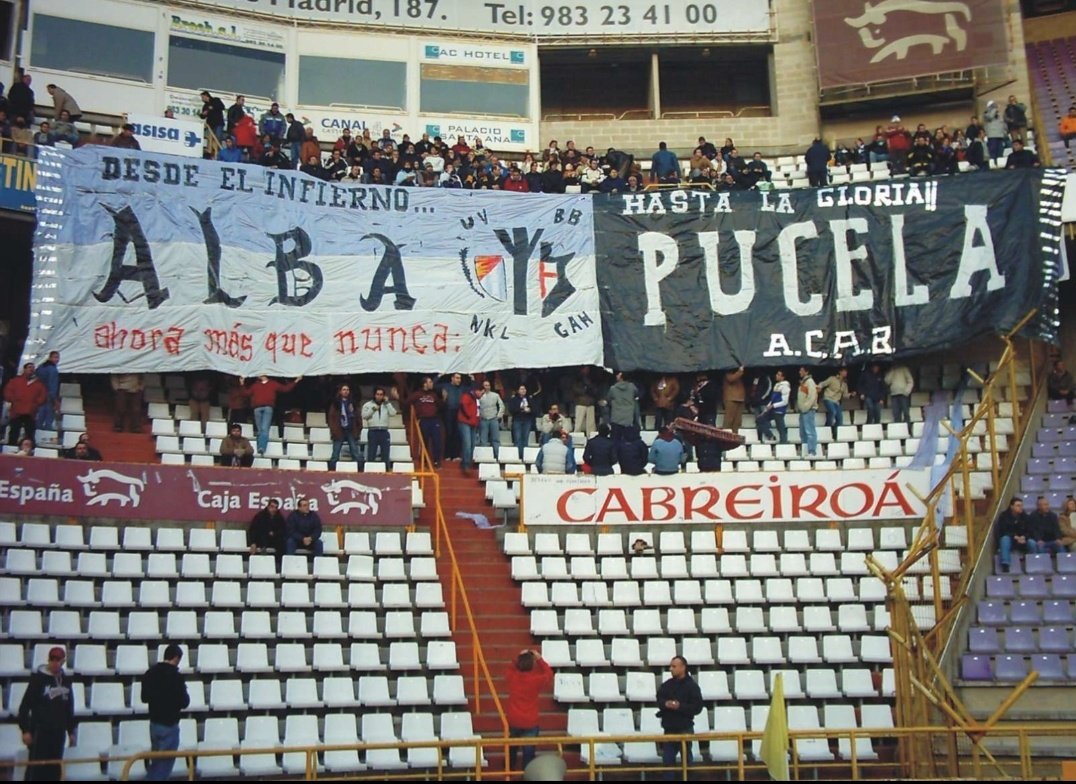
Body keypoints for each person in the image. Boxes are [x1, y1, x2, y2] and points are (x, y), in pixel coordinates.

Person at [18, 646, 75, 781]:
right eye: (52, 659)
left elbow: (69, 708)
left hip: (58, 732)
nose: (55, 663)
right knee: (36, 769)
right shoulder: (37, 680)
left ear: (63, 661)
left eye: (58, 660)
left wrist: (71, 731)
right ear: (48, 660)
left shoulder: (66, 681)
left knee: (54, 768)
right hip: (40, 731)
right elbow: (24, 707)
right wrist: (25, 730)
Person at [141, 644, 189, 781]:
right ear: (176, 658)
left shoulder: (150, 673)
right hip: (169, 725)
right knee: (163, 768)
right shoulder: (176, 677)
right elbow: (185, 702)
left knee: (156, 763)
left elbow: (144, 698)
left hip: (154, 724)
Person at [505, 649, 553, 771]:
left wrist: (518, 657)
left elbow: (510, 668)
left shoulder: (513, 677)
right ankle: (527, 773)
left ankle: (509, 769)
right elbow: (548, 674)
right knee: (529, 751)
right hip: (530, 720)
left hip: (514, 719)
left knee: (512, 746)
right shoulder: (536, 680)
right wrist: (540, 659)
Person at [656, 656, 703, 781]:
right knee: (668, 761)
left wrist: (680, 706)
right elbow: (659, 699)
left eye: (674, 666)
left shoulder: (692, 686)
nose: (670, 669)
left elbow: (697, 707)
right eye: (671, 666)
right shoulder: (667, 685)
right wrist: (665, 704)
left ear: (683, 667)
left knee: (686, 761)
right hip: (670, 728)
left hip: (684, 728)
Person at [241, 374, 301, 456]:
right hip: (257, 409)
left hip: (267, 408)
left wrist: (296, 381)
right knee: (260, 430)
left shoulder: (273, 383)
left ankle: (261, 448)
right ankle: (260, 447)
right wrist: (242, 383)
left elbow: (285, 389)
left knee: (264, 428)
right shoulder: (256, 385)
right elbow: (246, 393)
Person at [6, 363, 48, 446]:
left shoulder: (38, 383)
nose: (31, 369)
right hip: (16, 411)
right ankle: (11, 447)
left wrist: (35, 404)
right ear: (24, 369)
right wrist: (14, 400)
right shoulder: (15, 381)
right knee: (14, 431)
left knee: (30, 432)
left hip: (30, 412)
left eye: (33, 368)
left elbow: (43, 396)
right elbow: (8, 392)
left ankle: (30, 448)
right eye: (29, 367)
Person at [408, 376, 444, 467]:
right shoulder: (417, 394)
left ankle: (436, 461)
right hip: (423, 420)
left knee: (437, 441)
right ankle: (424, 461)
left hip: (434, 419)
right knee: (424, 441)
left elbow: (440, 406)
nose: (432, 384)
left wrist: (444, 399)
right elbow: (407, 402)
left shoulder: (433, 395)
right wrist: (398, 397)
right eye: (430, 382)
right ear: (425, 384)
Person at [327, 383, 362, 471]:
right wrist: (333, 430)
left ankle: (359, 470)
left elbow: (358, 416)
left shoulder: (353, 403)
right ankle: (331, 470)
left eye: (347, 390)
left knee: (355, 452)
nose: (346, 391)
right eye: (344, 389)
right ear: (340, 391)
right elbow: (331, 418)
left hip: (351, 430)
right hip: (339, 430)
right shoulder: (335, 404)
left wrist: (358, 429)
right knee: (335, 453)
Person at [361, 386, 398, 467]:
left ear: (384, 396)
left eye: (381, 394)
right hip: (373, 431)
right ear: (374, 395)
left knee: (385, 453)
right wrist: (373, 409)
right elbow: (364, 416)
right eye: (377, 394)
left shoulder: (386, 405)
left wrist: (387, 403)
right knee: (371, 453)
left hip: (384, 431)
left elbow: (393, 413)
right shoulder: (368, 405)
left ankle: (386, 470)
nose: (379, 396)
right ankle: (370, 470)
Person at [996, 497, 1031, 572]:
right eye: (1018, 505)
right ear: (1011, 506)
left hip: (1023, 540)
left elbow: (1030, 530)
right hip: (1011, 540)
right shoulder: (1004, 516)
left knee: (1032, 543)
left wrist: (1024, 537)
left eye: (1021, 505)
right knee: (1004, 539)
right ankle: (1005, 564)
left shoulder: (1025, 517)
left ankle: (1033, 562)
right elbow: (1002, 531)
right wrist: (1014, 537)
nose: (1020, 507)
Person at [756, 370, 790, 444]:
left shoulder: (785, 386)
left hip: (779, 411)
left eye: (779, 375)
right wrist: (767, 407)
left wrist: (773, 406)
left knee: (780, 428)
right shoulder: (777, 385)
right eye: (777, 374)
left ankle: (784, 443)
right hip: (773, 410)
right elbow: (773, 399)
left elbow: (785, 402)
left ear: (783, 377)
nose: (776, 376)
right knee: (760, 419)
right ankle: (770, 435)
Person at [607, 371, 640, 442]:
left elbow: (608, 399)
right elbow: (636, 395)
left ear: (621, 378)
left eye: (618, 375)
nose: (616, 376)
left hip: (616, 417)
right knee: (628, 440)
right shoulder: (632, 387)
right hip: (628, 417)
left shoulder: (613, 388)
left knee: (615, 440)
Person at [477, 379, 505, 461]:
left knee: (495, 439)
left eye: (488, 385)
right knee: (483, 439)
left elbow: (502, 406)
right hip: (483, 419)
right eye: (485, 385)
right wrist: (478, 416)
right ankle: (484, 457)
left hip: (493, 419)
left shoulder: (495, 395)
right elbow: (476, 406)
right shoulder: (479, 396)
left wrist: (499, 416)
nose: (487, 387)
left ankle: (497, 456)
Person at [457, 384, 483, 474]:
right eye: (481, 392)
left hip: (473, 423)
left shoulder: (476, 399)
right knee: (467, 444)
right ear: (476, 390)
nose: (482, 394)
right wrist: (469, 416)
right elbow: (463, 406)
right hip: (465, 422)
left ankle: (467, 462)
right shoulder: (467, 396)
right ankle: (466, 464)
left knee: (472, 445)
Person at [32, 351, 59, 432]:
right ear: (50, 358)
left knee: (39, 413)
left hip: (38, 393)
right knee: (48, 414)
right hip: (48, 395)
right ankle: (47, 430)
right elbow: (52, 385)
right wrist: (54, 399)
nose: (57, 359)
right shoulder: (52, 370)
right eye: (55, 357)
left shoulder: (41, 367)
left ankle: (37, 428)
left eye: (57, 357)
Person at [818, 367, 850, 438]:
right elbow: (823, 383)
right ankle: (827, 429)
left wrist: (851, 395)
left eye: (846, 371)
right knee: (833, 412)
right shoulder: (832, 379)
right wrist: (819, 387)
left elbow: (845, 395)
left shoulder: (844, 384)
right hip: (828, 398)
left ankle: (835, 434)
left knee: (840, 418)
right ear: (840, 372)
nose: (845, 373)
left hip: (836, 402)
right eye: (844, 371)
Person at [508, 384, 536, 460]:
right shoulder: (514, 399)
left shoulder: (529, 399)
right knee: (517, 439)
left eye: (524, 389)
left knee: (525, 439)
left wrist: (529, 410)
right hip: (517, 420)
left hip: (527, 420)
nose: (523, 390)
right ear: (518, 390)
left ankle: (524, 456)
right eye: (521, 389)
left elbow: (535, 409)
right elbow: (511, 409)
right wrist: (521, 408)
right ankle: (517, 456)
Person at [796, 367, 819, 457]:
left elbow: (812, 396)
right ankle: (805, 451)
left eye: (801, 370)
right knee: (803, 432)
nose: (799, 372)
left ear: (806, 372)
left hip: (808, 410)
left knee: (809, 431)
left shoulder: (810, 382)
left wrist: (805, 407)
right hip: (803, 410)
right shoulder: (804, 382)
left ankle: (812, 451)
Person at [721, 367, 746, 433]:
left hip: (740, 398)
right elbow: (731, 379)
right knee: (729, 419)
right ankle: (726, 434)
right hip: (731, 398)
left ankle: (735, 434)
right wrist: (740, 371)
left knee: (737, 421)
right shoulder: (728, 372)